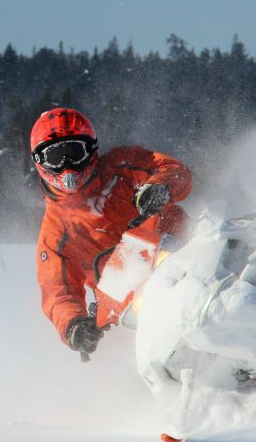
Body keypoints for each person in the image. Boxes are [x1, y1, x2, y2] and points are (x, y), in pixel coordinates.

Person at [30, 107, 192, 358]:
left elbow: (173, 168)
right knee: (148, 354)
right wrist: (73, 325)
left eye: (74, 152)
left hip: (184, 249)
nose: (66, 166)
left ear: (91, 149)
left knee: (229, 248)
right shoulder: (55, 230)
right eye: (55, 157)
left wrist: (161, 186)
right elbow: (57, 289)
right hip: (133, 299)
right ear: (40, 162)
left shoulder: (123, 165)